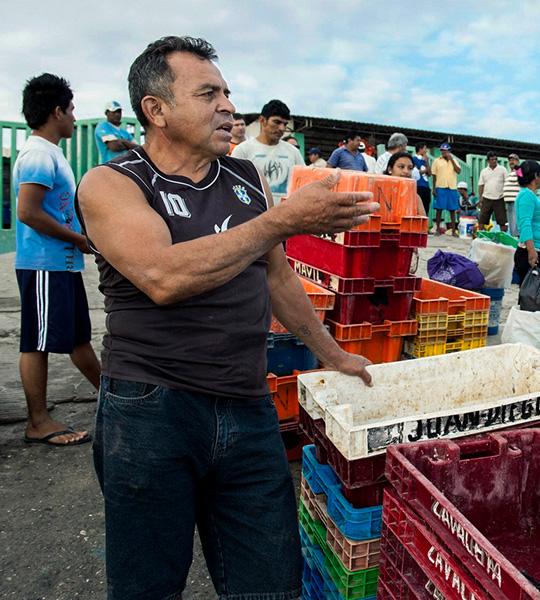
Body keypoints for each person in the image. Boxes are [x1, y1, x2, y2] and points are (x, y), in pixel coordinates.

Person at [76, 36, 379, 600]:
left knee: (268, 584)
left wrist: (333, 353)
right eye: (208, 93)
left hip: (248, 405)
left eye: (228, 93)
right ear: (156, 109)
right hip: (150, 410)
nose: (228, 108)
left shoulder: (244, 179)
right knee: (148, 586)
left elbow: (277, 278)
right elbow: (163, 278)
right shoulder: (113, 183)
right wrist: (282, 220)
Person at [13, 73, 102, 447]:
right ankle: (38, 421)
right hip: (44, 264)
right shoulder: (37, 154)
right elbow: (27, 212)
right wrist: (78, 239)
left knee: (79, 337)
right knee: (38, 341)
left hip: (60, 265)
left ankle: (115, 398)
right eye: (71, 109)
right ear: (57, 111)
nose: (73, 116)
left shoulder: (50, 152)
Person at [231, 99, 303, 200]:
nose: (282, 128)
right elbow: (234, 186)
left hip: (286, 213)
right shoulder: (243, 151)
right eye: (277, 122)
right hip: (255, 214)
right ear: (262, 121)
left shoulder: (293, 152)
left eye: (285, 124)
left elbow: (303, 185)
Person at [512, 160, 540, 283]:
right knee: (532, 297)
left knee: (534, 297)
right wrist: (531, 251)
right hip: (533, 253)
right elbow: (525, 224)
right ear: (536, 175)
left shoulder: (530, 196)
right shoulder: (526, 196)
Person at [431, 142, 462, 236]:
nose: (444, 152)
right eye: (442, 150)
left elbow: (458, 171)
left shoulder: (454, 160)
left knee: (452, 210)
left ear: (450, 151)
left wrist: (451, 159)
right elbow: (434, 176)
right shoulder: (437, 161)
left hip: (451, 187)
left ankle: (453, 231)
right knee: (439, 209)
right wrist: (434, 188)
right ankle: (437, 230)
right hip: (440, 187)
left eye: (446, 150)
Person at [384, 151, 427, 217]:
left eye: (410, 168)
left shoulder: (415, 197)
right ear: (390, 169)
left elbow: (423, 223)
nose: (406, 171)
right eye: (401, 167)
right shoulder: (381, 193)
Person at [477, 151, 509, 232]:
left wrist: (506, 197)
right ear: (487, 161)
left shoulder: (502, 170)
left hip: (500, 198)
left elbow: (507, 183)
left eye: (495, 159)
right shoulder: (484, 171)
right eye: (492, 159)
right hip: (487, 198)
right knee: (482, 219)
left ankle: (503, 238)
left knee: (502, 221)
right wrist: (480, 198)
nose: (494, 161)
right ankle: (480, 236)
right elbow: (481, 185)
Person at [503, 153, 522, 236]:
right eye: (510, 160)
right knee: (512, 223)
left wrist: (518, 169)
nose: (511, 162)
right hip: (510, 202)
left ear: (517, 162)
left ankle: (517, 238)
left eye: (513, 160)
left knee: (515, 224)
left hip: (516, 201)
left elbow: (522, 179)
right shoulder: (510, 173)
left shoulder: (518, 171)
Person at [412, 142, 432, 216]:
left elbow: (429, 173)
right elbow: (415, 173)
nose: (426, 150)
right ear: (420, 149)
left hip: (426, 186)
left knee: (426, 206)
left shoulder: (424, 161)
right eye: (425, 148)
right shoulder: (414, 159)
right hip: (418, 185)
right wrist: (425, 171)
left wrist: (427, 162)